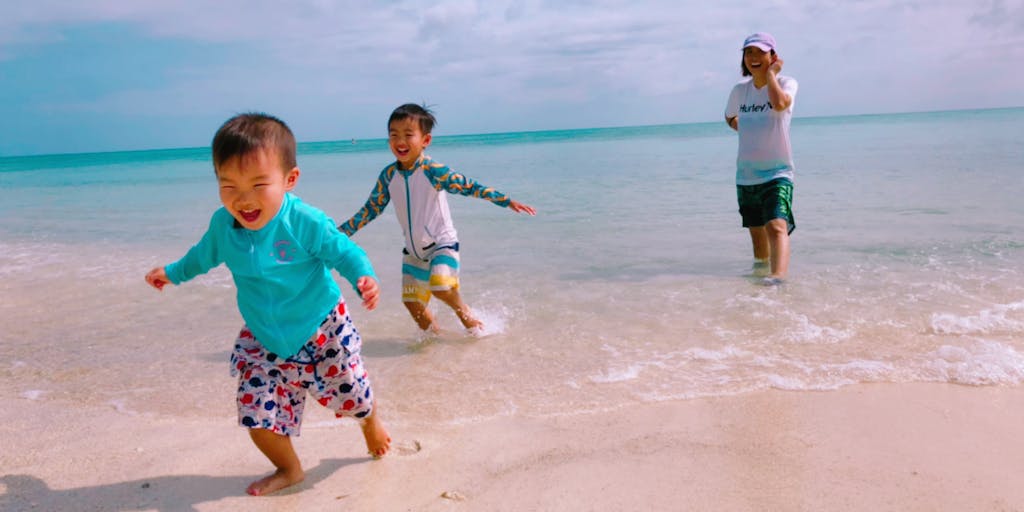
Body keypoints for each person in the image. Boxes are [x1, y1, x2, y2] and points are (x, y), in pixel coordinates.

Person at [144, 112, 391, 496]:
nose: (244, 199)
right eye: (229, 186)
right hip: (262, 338)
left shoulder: (302, 220)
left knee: (352, 396)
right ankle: (290, 469)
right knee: (256, 414)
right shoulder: (223, 227)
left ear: (289, 180)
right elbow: (200, 257)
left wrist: (365, 278)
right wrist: (172, 273)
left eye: (259, 184)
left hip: (322, 326)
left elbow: (344, 251)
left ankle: (369, 419)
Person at [338, 103, 536, 336]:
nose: (400, 141)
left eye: (408, 135)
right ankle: (435, 340)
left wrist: (505, 200)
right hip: (414, 251)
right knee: (412, 303)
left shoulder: (433, 170)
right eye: (394, 135)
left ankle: (471, 322)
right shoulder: (388, 176)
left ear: (425, 140)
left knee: (441, 286)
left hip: (443, 243)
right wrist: (339, 233)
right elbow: (370, 209)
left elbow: (468, 186)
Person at [724, 32, 798, 285]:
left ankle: (778, 280)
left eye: (759, 52)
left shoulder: (787, 83)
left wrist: (770, 76)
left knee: (776, 226)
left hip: (778, 173)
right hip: (746, 176)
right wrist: (744, 127)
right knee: (757, 236)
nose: (753, 57)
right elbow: (729, 116)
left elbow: (778, 105)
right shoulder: (739, 91)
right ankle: (760, 282)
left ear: (773, 56)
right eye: (749, 53)